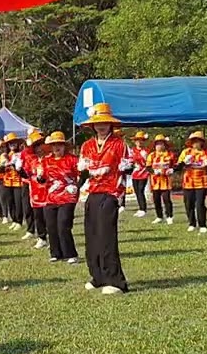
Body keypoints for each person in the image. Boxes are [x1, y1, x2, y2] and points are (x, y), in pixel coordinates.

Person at [78, 103, 130, 295]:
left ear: (110, 124)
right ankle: (97, 275)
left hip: (110, 192)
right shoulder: (87, 145)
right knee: (91, 235)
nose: (101, 126)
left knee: (106, 235)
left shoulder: (119, 144)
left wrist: (126, 168)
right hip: (92, 192)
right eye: (97, 123)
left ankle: (115, 280)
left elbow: (126, 167)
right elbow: (83, 171)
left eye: (105, 123)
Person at [40, 131, 80, 264]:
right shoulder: (46, 161)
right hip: (51, 197)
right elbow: (42, 179)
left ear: (64, 146)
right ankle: (56, 253)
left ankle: (70, 253)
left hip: (68, 196)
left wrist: (76, 186)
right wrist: (40, 177)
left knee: (63, 224)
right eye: (54, 145)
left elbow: (82, 174)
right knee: (51, 226)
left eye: (60, 145)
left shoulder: (72, 159)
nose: (57, 147)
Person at [178, 131, 207, 234]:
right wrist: (184, 162)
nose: (196, 143)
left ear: (202, 142)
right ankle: (192, 223)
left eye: (198, 141)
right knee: (188, 203)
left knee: (200, 203)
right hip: (188, 181)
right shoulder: (186, 152)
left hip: (202, 181)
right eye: (194, 141)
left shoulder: (206, 152)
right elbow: (178, 167)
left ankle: (202, 224)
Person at [22, 130, 49, 249]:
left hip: (49, 192)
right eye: (36, 146)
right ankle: (42, 237)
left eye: (41, 144)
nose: (39, 148)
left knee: (49, 217)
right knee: (38, 216)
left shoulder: (50, 159)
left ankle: (53, 238)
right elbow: (26, 174)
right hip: (36, 193)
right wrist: (19, 169)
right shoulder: (32, 161)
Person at [0, 133, 25, 230]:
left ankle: (19, 221)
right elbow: (0, 170)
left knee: (18, 202)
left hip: (17, 182)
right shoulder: (6, 155)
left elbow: (21, 167)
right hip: (7, 182)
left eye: (14, 143)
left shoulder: (21, 154)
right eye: (10, 144)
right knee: (10, 202)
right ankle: (14, 220)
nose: (12, 145)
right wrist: (3, 165)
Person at [147, 135, 176, 225]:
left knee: (166, 199)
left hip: (166, 181)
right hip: (155, 181)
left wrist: (172, 170)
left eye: (161, 144)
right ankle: (159, 216)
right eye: (157, 144)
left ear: (164, 145)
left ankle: (169, 216)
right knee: (156, 199)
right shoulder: (152, 155)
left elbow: (175, 165)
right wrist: (154, 171)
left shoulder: (170, 154)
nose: (159, 146)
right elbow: (148, 167)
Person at [128, 132, 151, 219]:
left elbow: (148, 161)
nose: (139, 142)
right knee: (137, 191)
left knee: (141, 190)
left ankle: (143, 209)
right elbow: (130, 161)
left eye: (141, 141)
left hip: (144, 173)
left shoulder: (146, 151)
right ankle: (140, 208)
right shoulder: (132, 151)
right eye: (137, 140)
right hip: (135, 173)